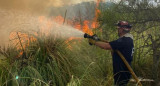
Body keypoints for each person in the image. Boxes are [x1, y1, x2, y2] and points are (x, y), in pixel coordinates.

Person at [88, 21, 134, 86]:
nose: (118, 30)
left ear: (122, 29)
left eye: (118, 28)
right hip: (122, 71)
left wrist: (94, 42)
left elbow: (107, 46)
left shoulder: (125, 40)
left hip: (122, 72)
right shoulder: (126, 39)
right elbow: (112, 47)